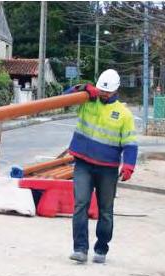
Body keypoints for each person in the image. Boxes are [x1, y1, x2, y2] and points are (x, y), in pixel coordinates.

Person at [67, 69, 138, 264]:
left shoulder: (124, 115)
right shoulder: (86, 101)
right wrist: (79, 89)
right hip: (83, 163)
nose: (103, 94)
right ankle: (80, 249)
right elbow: (64, 100)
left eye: (107, 92)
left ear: (116, 91)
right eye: (101, 90)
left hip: (108, 168)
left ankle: (101, 248)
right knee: (80, 204)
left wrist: (129, 165)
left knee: (105, 210)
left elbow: (130, 143)